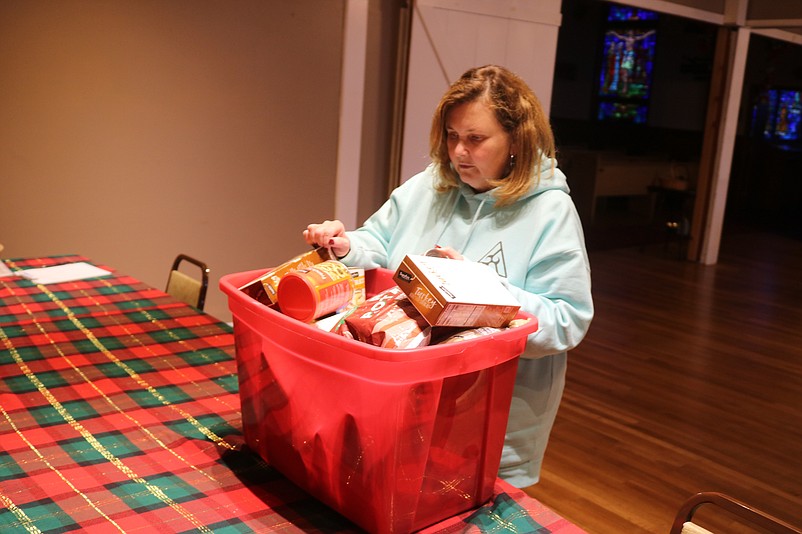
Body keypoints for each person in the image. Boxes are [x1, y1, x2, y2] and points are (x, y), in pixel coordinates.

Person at [303, 65, 593, 488]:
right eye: (453, 136)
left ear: (516, 140)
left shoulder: (549, 211)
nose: (458, 152)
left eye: (475, 139)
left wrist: (480, 290)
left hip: (487, 420)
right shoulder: (429, 186)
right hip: (400, 404)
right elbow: (379, 242)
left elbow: (567, 321)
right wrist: (347, 246)